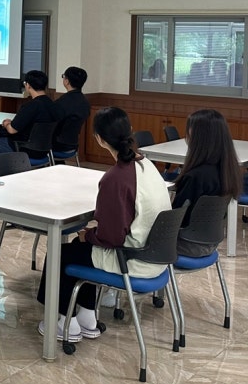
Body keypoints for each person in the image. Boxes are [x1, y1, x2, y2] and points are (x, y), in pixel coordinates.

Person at [35, 106, 171, 342]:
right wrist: (90, 236)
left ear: (98, 139)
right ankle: (87, 316)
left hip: (131, 260)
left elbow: (111, 238)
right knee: (81, 249)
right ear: (130, 129)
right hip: (156, 256)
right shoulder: (146, 165)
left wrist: (88, 235)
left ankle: (64, 322)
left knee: (60, 254)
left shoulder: (116, 178)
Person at [172, 109, 240, 257]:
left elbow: (175, 218)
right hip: (211, 243)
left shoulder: (195, 176)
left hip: (185, 244)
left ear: (198, 136)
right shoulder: (227, 170)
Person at [0, 70, 59, 180]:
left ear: (28, 85)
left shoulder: (30, 106)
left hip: (22, 148)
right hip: (45, 151)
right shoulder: (53, 105)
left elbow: (12, 130)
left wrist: (6, 124)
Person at [52, 66, 90, 154]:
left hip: (57, 144)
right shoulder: (85, 102)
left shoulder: (63, 101)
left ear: (67, 81)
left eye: (63, 76)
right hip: (73, 144)